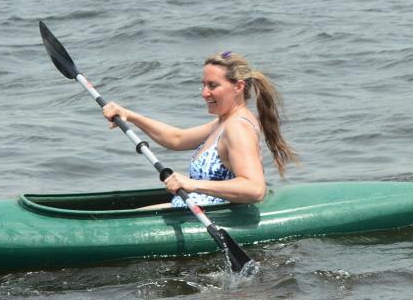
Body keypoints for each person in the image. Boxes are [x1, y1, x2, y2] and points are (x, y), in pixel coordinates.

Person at [101, 51, 296, 209]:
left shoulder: (238, 127)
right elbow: (177, 138)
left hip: (213, 217)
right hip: (191, 209)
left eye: (213, 85)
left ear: (238, 87)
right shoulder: (224, 122)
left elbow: (254, 189)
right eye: (203, 85)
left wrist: (192, 184)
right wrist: (130, 116)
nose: (204, 93)